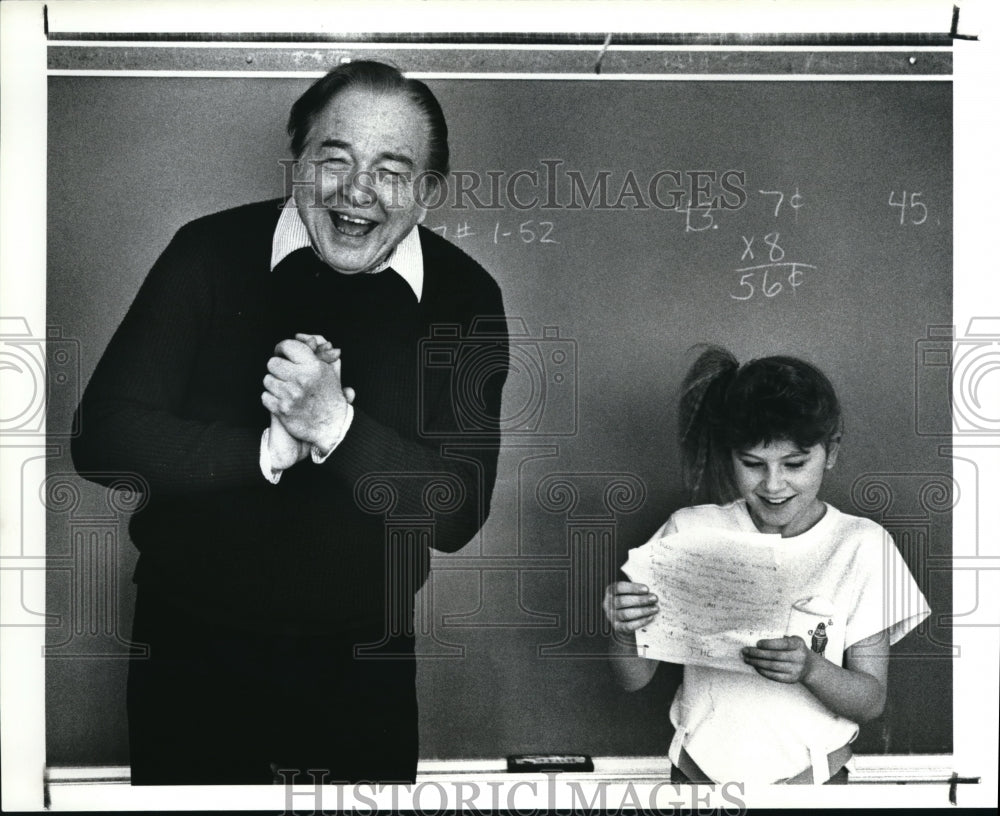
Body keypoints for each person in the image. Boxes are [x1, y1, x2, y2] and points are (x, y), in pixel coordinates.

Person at [71, 60, 508, 785]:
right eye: (332, 159)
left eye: (392, 170)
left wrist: (334, 425)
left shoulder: (465, 297)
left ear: (428, 194)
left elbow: (457, 511)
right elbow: (102, 438)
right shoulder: (206, 253)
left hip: (364, 666)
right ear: (295, 163)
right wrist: (265, 449)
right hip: (190, 653)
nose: (357, 190)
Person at [602, 346, 929, 784]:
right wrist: (624, 630)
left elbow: (870, 701)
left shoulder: (863, 545)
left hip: (813, 783)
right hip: (697, 778)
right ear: (729, 454)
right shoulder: (689, 532)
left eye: (795, 463)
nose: (773, 485)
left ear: (830, 452)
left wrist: (812, 669)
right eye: (753, 464)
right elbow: (633, 678)